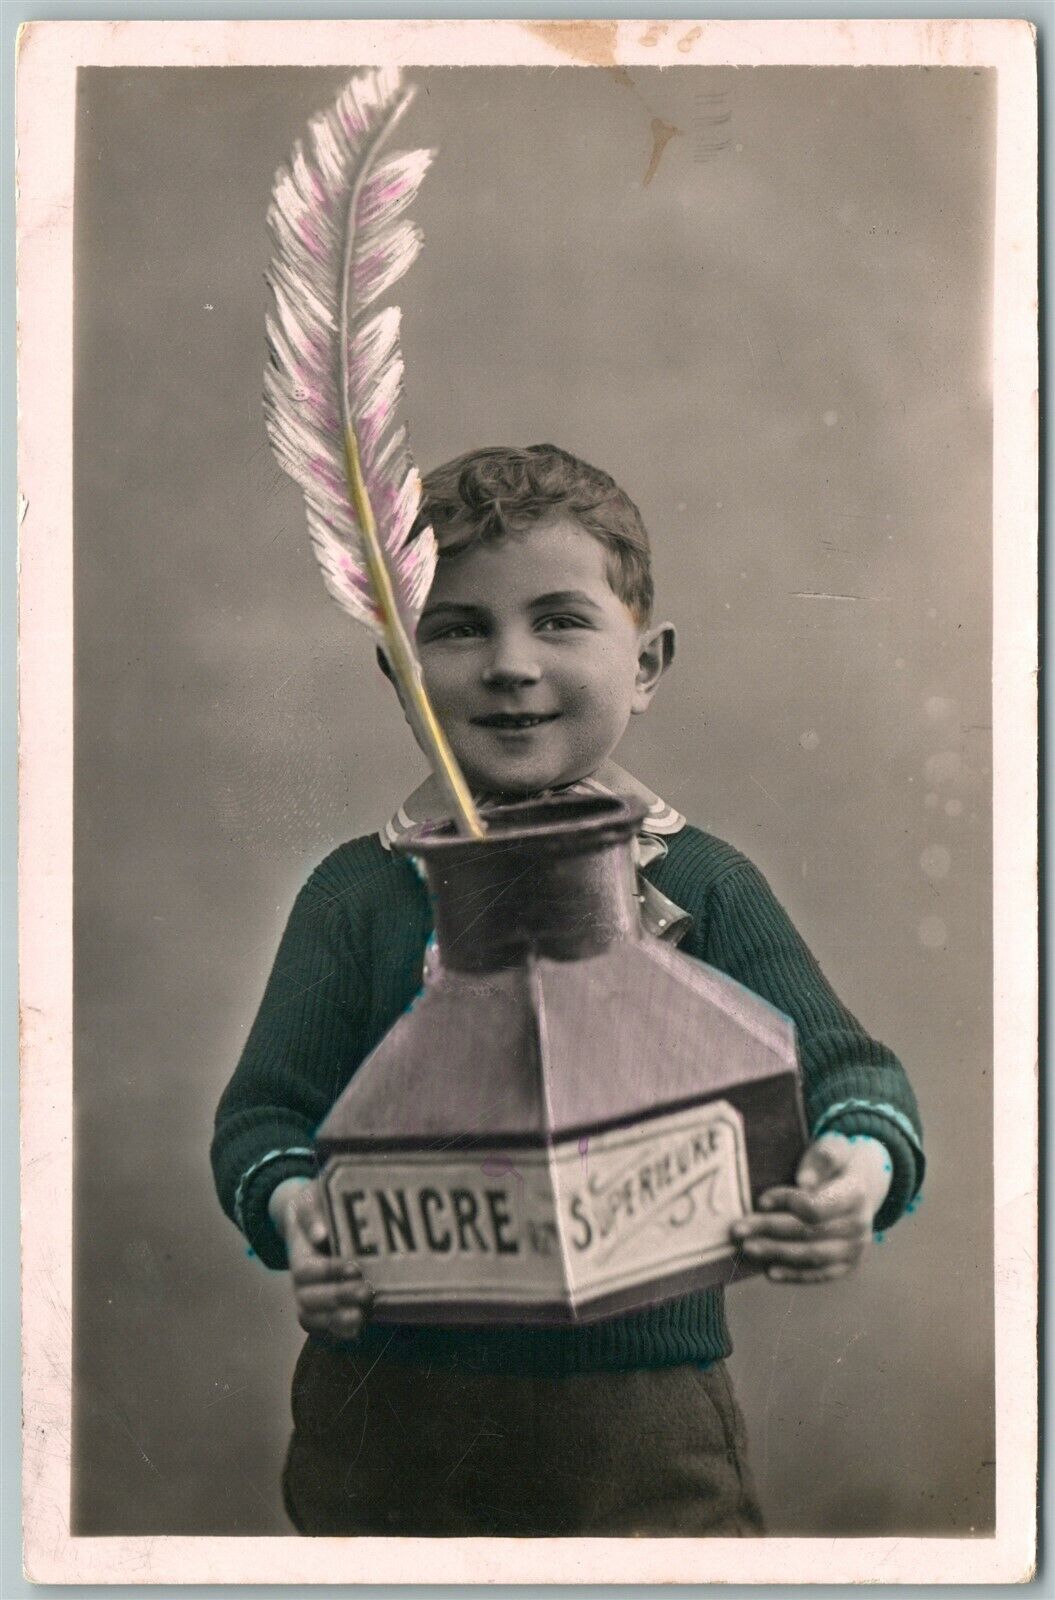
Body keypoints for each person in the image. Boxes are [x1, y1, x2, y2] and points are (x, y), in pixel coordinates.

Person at [211, 443, 924, 1536]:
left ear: (646, 664)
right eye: (456, 628)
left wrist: (856, 1177)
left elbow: (848, 1072)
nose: (510, 664)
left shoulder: (702, 883)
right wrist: (297, 1211)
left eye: (558, 620)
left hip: (639, 1429)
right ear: (397, 671)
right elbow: (263, 1118)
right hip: (385, 1428)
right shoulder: (355, 896)